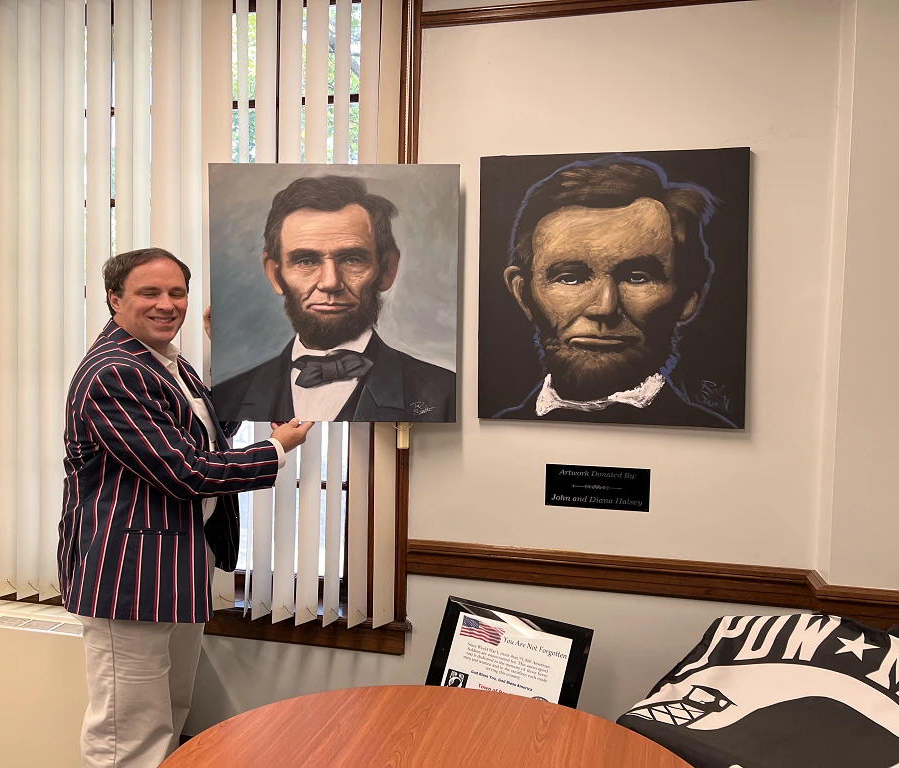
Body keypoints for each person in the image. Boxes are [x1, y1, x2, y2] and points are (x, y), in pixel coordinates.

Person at [57, 247, 315, 768]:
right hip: (127, 577)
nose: (166, 304)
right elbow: (186, 471)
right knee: (126, 735)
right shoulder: (115, 371)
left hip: (174, 564)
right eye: (149, 292)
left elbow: (205, 432)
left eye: (176, 292)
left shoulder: (164, 363)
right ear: (114, 298)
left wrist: (238, 347)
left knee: (168, 715)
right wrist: (276, 450)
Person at [494, 157, 734, 427]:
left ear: (689, 296)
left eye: (637, 278)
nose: (605, 308)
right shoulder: (501, 430)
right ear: (524, 294)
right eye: (570, 278)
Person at [211, 175, 456, 422]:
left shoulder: (446, 394)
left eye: (352, 259)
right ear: (275, 274)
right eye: (306, 261)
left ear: (387, 269)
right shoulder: (227, 398)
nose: (330, 282)